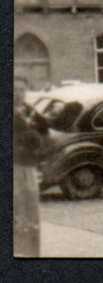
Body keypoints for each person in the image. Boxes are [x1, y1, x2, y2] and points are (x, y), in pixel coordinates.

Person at [13, 96, 48, 258]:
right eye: (16, 90)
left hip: (28, 164)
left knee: (30, 204)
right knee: (19, 203)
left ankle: (28, 248)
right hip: (18, 165)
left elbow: (45, 129)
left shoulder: (29, 112)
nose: (19, 93)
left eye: (22, 90)